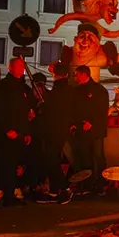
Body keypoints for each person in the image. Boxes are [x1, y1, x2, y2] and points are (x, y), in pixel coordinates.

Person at [0, 59, 30, 206]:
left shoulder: (22, 87)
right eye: (18, 66)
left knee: (12, 165)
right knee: (1, 165)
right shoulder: (2, 87)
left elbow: (23, 112)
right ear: (10, 68)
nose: (21, 69)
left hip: (17, 132)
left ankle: (9, 195)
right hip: (5, 134)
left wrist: (25, 132)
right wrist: (6, 129)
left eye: (22, 66)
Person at [35, 70, 74, 204]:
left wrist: (43, 106)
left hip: (54, 129)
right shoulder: (65, 90)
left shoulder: (58, 91)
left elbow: (52, 109)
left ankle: (64, 187)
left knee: (51, 159)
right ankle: (54, 190)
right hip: (60, 129)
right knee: (53, 158)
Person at [70, 65, 109, 193]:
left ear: (83, 74)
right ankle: (87, 184)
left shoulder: (99, 90)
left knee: (97, 156)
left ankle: (101, 184)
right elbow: (74, 110)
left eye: (77, 74)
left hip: (96, 130)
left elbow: (102, 110)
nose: (75, 77)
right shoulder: (76, 91)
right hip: (81, 130)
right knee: (84, 157)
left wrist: (92, 122)